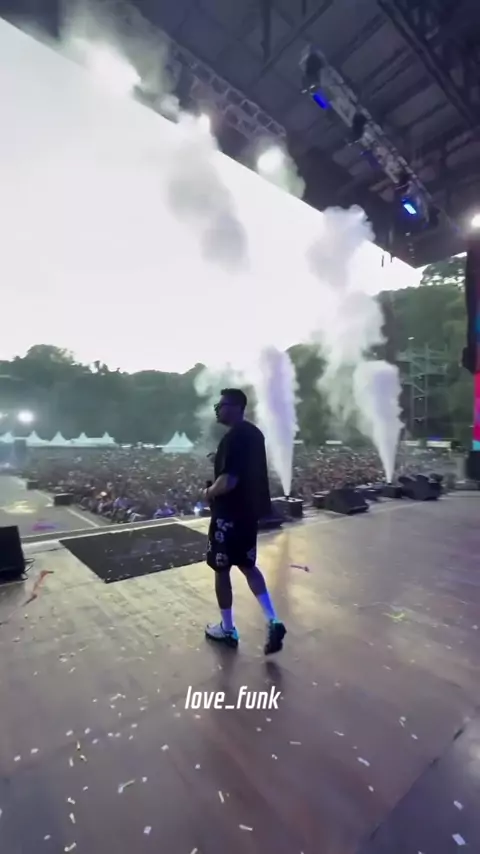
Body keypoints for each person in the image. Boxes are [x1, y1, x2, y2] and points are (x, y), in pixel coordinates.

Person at [203, 388, 286, 654]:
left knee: (221, 570)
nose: (218, 408)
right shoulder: (254, 434)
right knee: (248, 566)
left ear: (237, 407)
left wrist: (208, 492)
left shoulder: (233, 437)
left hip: (227, 516)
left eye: (222, 404)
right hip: (248, 516)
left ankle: (228, 629)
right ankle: (273, 620)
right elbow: (244, 468)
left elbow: (229, 481)